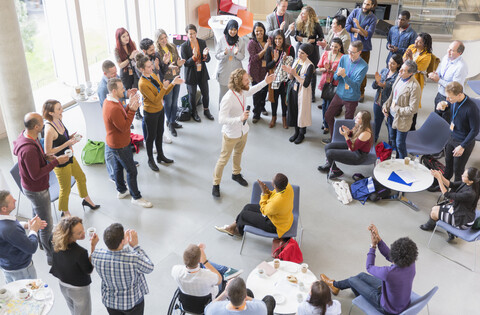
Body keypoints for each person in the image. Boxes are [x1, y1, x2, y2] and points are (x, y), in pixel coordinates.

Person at [321, 224, 418, 315]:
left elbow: (369, 267)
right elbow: (391, 256)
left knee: (352, 280)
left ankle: (335, 285)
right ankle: (336, 286)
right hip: (400, 300)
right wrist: (379, 239)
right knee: (361, 276)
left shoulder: (389, 273)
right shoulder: (411, 262)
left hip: (387, 307)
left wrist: (373, 246)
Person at [13, 112, 69, 264]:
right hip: (37, 190)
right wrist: (56, 162)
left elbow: (36, 161)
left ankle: (40, 242)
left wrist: (45, 158)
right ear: (36, 126)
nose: (44, 123)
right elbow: (36, 174)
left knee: (37, 217)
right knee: (46, 224)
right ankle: (52, 256)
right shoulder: (28, 150)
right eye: (41, 122)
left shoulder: (27, 136)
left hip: (31, 187)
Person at [212, 69, 274, 198]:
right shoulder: (228, 98)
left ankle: (236, 174)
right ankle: (216, 184)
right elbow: (221, 119)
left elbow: (252, 90)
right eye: (246, 80)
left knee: (238, 153)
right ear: (238, 82)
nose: (249, 81)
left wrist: (265, 82)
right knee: (223, 160)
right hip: (230, 134)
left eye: (248, 79)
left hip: (243, 131)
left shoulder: (243, 91)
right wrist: (239, 119)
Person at [42, 99, 99, 216]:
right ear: (51, 113)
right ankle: (64, 211)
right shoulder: (49, 130)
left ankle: (86, 199)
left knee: (81, 177)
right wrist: (67, 143)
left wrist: (71, 137)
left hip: (69, 156)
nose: (61, 110)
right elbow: (48, 152)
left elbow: (62, 138)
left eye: (61, 107)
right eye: (58, 109)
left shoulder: (59, 120)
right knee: (65, 188)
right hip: (60, 162)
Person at [103, 78, 152, 208]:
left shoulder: (110, 101)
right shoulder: (112, 108)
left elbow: (121, 114)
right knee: (131, 170)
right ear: (114, 91)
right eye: (121, 89)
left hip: (114, 143)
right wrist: (133, 109)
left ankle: (121, 190)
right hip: (119, 144)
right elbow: (125, 127)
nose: (124, 90)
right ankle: (136, 197)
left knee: (119, 167)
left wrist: (129, 105)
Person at [92, 223, 154, 315]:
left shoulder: (96, 255)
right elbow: (150, 267)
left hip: (110, 302)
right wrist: (136, 246)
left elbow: (92, 256)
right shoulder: (133, 259)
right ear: (122, 242)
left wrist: (93, 245)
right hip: (132, 303)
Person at [428, 82, 479, 191]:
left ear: (460, 95)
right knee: (448, 166)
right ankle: (443, 185)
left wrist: (462, 146)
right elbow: (450, 108)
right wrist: (443, 107)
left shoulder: (471, 108)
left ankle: (456, 194)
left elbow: (475, 130)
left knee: (458, 170)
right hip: (452, 137)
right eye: (447, 96)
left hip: (463, 142)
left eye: (450, 97)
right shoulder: (454, 100)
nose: (448, 99)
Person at [137, 54, 182, 172]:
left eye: (151, 65)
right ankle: (150, 159)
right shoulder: (142, 84)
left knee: (160, 132)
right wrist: (165, 87)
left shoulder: (153, 75)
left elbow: (164, 91)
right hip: (150, 112)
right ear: (142, 69)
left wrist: (173, 83)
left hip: (159, 109)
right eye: (148, 67)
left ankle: (160, 155)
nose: (151, 68)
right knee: (150, 137)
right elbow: (156, 99)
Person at [215, 173, 293, 238]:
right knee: (247, 207)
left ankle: (237, 231)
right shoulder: (288, 187)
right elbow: (275, 195)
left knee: (244, 215)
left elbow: (264, 210)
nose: (271, 180)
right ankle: (231, 227)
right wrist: (268, 192)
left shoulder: (277, 202)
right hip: (281, 216)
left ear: (275, 186)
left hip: (276, 226)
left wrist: (263, 193)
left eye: (272, 179)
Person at [50, 216, 99, 315]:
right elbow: (89, 269)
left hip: (62, 284)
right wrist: (93, 246)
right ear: (69, 236)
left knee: (73, 310)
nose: (83, 233)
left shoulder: (53, 239)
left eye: (83, 230)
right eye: (79, 233)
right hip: (78, 289)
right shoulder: (80, 252)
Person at [323, 41, 368, 143]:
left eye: (353, 52)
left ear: (359, 52)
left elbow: (355, 86)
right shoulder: (344, 58)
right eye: (349, 51)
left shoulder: (363, 66)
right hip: (339, 93)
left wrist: (344, 76)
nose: (350, 54)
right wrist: (338, 74)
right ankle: (334, 138)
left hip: (351, 98)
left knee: (348, 122)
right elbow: (335, 77)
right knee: (328, 115)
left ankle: (345, 141)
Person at [420, 167, 480, 240]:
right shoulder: (468, 183)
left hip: (462, 221)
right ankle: (445, 229)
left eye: (464, 175)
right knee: (434, 208)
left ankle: (430, 226)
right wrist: (441, 176)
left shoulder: (470, 193)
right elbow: (451, 184)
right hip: (460, 211)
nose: (461, 175)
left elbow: (447, 194)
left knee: (434, 213)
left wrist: (439, 179)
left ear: (471, 181)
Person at [0, 190, 46, 283]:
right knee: (29, 292)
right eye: (12, 200)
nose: (15, 200)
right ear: (4, 209)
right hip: (21, 270)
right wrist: (34, 230)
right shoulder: (10, 230)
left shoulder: (5, 222)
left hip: (7, 265)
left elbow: (10, 226)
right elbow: (31, 248)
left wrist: (26, 225)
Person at [171, 243, 242, 299]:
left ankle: (226, 270)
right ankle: (225, 270)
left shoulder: (176, 270)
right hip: (205, 300)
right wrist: (205, 261)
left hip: (186, 300)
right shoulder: (208, 275)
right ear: (199, 260)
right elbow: (219, 279)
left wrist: (196, 252)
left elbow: (191, 261)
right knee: (220, 276)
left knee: (202, 266)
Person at [318, 110, 373, 179]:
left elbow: (352, 148)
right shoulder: (360, 125)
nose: (355, 117)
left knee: (329, 153)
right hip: (355, 147)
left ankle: (336, 171)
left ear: (363, 121)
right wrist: (348, 132)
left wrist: (345, 136)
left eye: (358, 118)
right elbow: (353, 135)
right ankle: (330, 165)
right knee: (327, 146)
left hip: (359, 155)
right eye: (356, 116)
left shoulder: (365, 133)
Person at [382, 60, 420, 159]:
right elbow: (392, 95)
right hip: (390, 116)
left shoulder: (415, 87)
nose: (399, 72)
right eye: (401, 69)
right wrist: (386, 106)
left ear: (410, 73)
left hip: (402, 120)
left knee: (400, 144)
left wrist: (396, 109)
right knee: (392, 139)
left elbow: (413, 109)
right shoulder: (399, 77)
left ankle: (403, 163)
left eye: (403, 70)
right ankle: (395, 160)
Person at [155, 29, 186, 137]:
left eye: (165, 37)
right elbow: (158, 69)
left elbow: (178, 60)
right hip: (166, 80)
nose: (164, 40)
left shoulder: (172, 46)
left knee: (175, 100)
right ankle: (170, 122)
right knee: (168, 102)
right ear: (157, 40)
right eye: (161, 39)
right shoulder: (157, 52)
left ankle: (172, 121)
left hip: (175, 76)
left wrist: (179, 63)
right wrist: (167, 65)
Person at [428, 40, 468, 122]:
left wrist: (438, 80)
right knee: (436, 118)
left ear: (459, 53)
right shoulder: (446, 57)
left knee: (446, 122)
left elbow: (455, 88)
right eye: (448, 48)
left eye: (452, 50)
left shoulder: (461, 67)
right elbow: (439, 70)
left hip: (451, 98)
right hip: (440, 94)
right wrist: (436, 74)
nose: (448, 51)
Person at [345, 0, 377, 102]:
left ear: (372, 6)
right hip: (352, 48)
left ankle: (361, 92)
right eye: (364, 3)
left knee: (361, 71)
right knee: (350, 70)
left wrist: (358, 27)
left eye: (368, 4)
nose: (365, 6)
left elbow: (368, 34)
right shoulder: (355, 12)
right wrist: (358, 31)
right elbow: (347, 26)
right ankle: (349, 89)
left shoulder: (373, 18)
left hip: (364, 49)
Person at [283, 43, 315, 144]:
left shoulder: (309, 66)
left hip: (303, 91)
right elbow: (290, 77)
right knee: (293, 110)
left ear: (307, 55)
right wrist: (289, 72)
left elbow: (305, 84)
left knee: (302, 112)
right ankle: (296, 132)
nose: (299, 55)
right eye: (299, 52)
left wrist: (295, 74)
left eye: (302, 53)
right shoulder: (296, 61)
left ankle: (301, 133)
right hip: (294, 89)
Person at [180, 24, 213, 122]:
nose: (192, 35)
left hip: (202, 72)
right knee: (192, 95)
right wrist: (194, 57)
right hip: (191, 74)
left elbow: (208, 60)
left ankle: (206, 110)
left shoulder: (202, 42)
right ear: (186, 34)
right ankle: (194, 112)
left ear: (196, 33)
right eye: (190, 34)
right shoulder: (184, 47)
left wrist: (205, 56)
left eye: (194, 33)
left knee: (205, 93)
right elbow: (186, 64)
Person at [265, 30, 295, 128]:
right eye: (276, 39)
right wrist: (275, 60)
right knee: (274, 99)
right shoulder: (270, 49)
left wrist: (286, 60)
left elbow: (293, 64)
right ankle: (274, 117)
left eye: (280, 38)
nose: (278, 41)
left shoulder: (290, 49)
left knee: (284, 100)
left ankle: (284, 118)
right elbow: (268, 66)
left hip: (285, 80)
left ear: (283, 38)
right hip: (274, 79)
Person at [294, 6, 324, 102]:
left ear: (309, 15)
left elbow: (321, 38)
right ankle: (299, 90)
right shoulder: (298, 22)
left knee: (312, 72)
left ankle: (312, 94)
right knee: (299, 69)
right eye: (301, 13)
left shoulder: (316, 25)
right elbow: (295, 35)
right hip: (300, 48)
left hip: (312, 50)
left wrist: (314, 40)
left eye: (303, 13)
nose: (301, 15)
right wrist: (296, 37)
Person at [403, 32, 432, 129]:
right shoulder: (411, 47)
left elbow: (415, 69)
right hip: (405, 77)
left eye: (419, 42)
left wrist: (410, 58)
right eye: (416, 40)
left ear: (425, 45)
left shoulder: (427, 56)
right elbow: (403, 61)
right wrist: (406, 58)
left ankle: (412, 127)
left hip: (416, 80)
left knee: (413, 102)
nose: (416, 42)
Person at [371, 54, 402, 142]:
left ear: (398, 65)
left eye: (393, 63)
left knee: (390, 125)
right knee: (376, 122)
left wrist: (383, 84)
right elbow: (374, 87)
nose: (390, 64)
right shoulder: (384, 71)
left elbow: (392, 88)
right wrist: (376, 82)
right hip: (378, 102)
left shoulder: (398, 76)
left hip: (389, 105)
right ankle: (374, 139)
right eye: (389, 62)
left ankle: (391, 144)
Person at [317, 38, 344, 134]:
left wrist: (334, 72)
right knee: (324, 104)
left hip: (336, 83)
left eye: (336, 46)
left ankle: (328, 123)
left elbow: (344, 72)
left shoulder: (343, 57)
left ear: (340, 47)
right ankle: (325, 123)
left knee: (330, 105)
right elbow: (318, 68)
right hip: (325, 82)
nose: (333, 48)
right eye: (332, 46)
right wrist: (325, 69)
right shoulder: (325, 53)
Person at [114, 27, 141, 120]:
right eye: (123, 36)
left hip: (134, 70)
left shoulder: (132, 43)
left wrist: (137, 56)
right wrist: (130, 57)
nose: (127, 38)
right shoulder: (117, 50)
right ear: (119, 38)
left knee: (135, 92)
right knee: (126, 94)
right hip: (125, 73)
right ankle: (126, 115)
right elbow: (120, 65)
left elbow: (136, 58)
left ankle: (137, 112)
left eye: (127, 35)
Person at [205, 277, 272, 315]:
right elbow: (261, 304)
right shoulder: (260, 308)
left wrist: (225, 292)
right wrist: (243, 296)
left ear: (227, 294)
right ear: (245, 296)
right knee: (269, 299)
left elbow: (210, 305)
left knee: (248, 291)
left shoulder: (212, 310)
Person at [215, 20, 245, 103]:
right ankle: (222, 114)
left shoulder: (241, 41)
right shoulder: (221, 40)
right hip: (224, 71)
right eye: (231, 29)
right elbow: (217, 56)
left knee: (236, 94)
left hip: (236, 71)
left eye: (235, 30)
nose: (233, 32)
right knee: (223, 95)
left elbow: (242, 56)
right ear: (227, 29)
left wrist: (236, 53)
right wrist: (224, 53)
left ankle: (234, 114)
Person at [247, 22, 271, 123]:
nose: (259, 33)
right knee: (256, 92)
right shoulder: (251, 43)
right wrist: (265, 49)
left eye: (261, 30)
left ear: (264, 31)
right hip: (255, 70)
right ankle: (256, 113)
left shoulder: (268, 40)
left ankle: (262, 107)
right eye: (257, 31)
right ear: (254, 32)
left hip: (265, 70)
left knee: (264, 91)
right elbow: (254, 58)